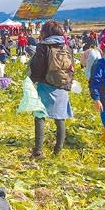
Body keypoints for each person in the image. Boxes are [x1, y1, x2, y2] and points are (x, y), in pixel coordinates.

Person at [29, 20, 74, 158]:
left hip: (45, 85)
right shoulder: (66, 47)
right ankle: (58, 150)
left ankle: (38, 151)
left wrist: (32, 80)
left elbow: (37, 67)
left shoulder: (43, 46)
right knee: (60, 118)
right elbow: (71, 67)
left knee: (40, 116)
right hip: (61, 85)